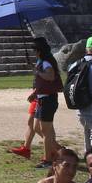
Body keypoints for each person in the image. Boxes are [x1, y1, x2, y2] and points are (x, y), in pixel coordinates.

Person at [31, 37, 64, 169]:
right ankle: (59, 150)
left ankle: (48, 160)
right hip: (42, 98)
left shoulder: (46, 63)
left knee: (46, 131)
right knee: (37, 128)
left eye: (34, 50)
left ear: (38, 51)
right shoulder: (41, 61)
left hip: (48, 100)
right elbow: (42, 82)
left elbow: (50, 77)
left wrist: (37, 71)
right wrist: (35, 93)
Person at [8, 93, 38, 160]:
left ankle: (56, 148)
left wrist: (35, 92)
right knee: (31, 124)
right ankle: (26, 149)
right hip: (37, 97)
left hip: (40, 96)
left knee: (38, 126)